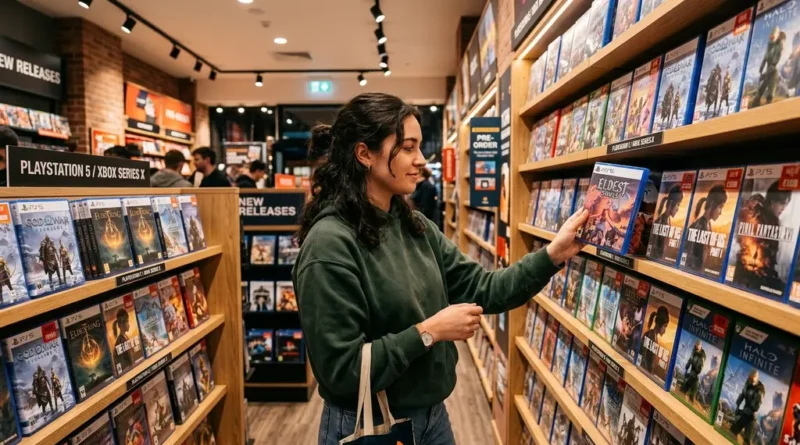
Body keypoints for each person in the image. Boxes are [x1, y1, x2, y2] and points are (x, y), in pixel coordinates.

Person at [293, 93, 587, 445]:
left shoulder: (413, 225)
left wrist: (553, 254)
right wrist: (428, 332)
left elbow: (486, 289)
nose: (420, 160)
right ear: (364, 154)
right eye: (408, 148)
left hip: (432, 417)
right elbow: (341, 371)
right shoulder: (329, 245)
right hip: (370, 426)